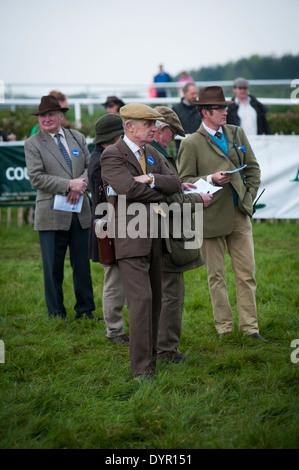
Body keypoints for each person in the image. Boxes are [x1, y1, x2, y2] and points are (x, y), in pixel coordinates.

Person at [100, 103, 181, 380]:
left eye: (154, 124)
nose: (154, 129)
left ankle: (152, 361)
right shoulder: (112, 154)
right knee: (142, 302)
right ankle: (142, 370)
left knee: (155, 300)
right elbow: (127, 188)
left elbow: (176, 183)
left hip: (157, 238)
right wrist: (157, 191)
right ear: (129, 127)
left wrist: (149, 178)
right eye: (148, 124)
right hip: (130, 240)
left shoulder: (152, 152)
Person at [178, 86, 265, 340]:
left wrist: (247, 198)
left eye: (225, 107)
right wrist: (210, 178)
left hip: (239, 214)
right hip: (209, 216)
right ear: (205, 112)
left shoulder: (237, 133)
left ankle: (250, 328)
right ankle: (224, 328)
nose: (225, 111)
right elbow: (184, 181)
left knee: (246, 273)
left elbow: (254, 170)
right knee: (216, 276)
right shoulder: (190, 143)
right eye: (219, 108)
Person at [24, 95, 98, 322]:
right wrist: (69, 185)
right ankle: (56, 314)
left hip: (80, 211)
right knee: (52, 268)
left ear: (60, 116)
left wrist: (80, 184)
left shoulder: (77, 137)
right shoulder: (33, 143)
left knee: (82, 266)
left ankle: (85, 311)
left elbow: (90, 166)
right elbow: (36, 178)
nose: (47, 119)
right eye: (43, 116)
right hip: (51, 214)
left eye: (51, 115)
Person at [151, 106, 212, 363]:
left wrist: (181, 184)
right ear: (163, 129)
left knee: (160, 294)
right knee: (171, 295)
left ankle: (157, 346)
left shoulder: (149, 153)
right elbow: (168, 201)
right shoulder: (157, 154)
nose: (172, 139)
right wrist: (197, 197)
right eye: (172, 133)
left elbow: (167, 190)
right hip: (166, 235)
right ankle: (166, 351)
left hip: (156, 232)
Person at [88, 114, 128, 344]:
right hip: (108, 224)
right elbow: (107, 199)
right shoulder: (101, 161)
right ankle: (114, 331)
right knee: (113, 280)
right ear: (114, 136)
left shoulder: (103, 156)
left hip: (114, 222)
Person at [173, 82, 202, 155]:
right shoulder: (175, 110)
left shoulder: (201, 109)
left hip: (200, 149)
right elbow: (171, 130)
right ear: (184, 93)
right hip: (182, 150)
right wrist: (181, 136)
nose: (195, 96)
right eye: (192, 94)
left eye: (196, 93)